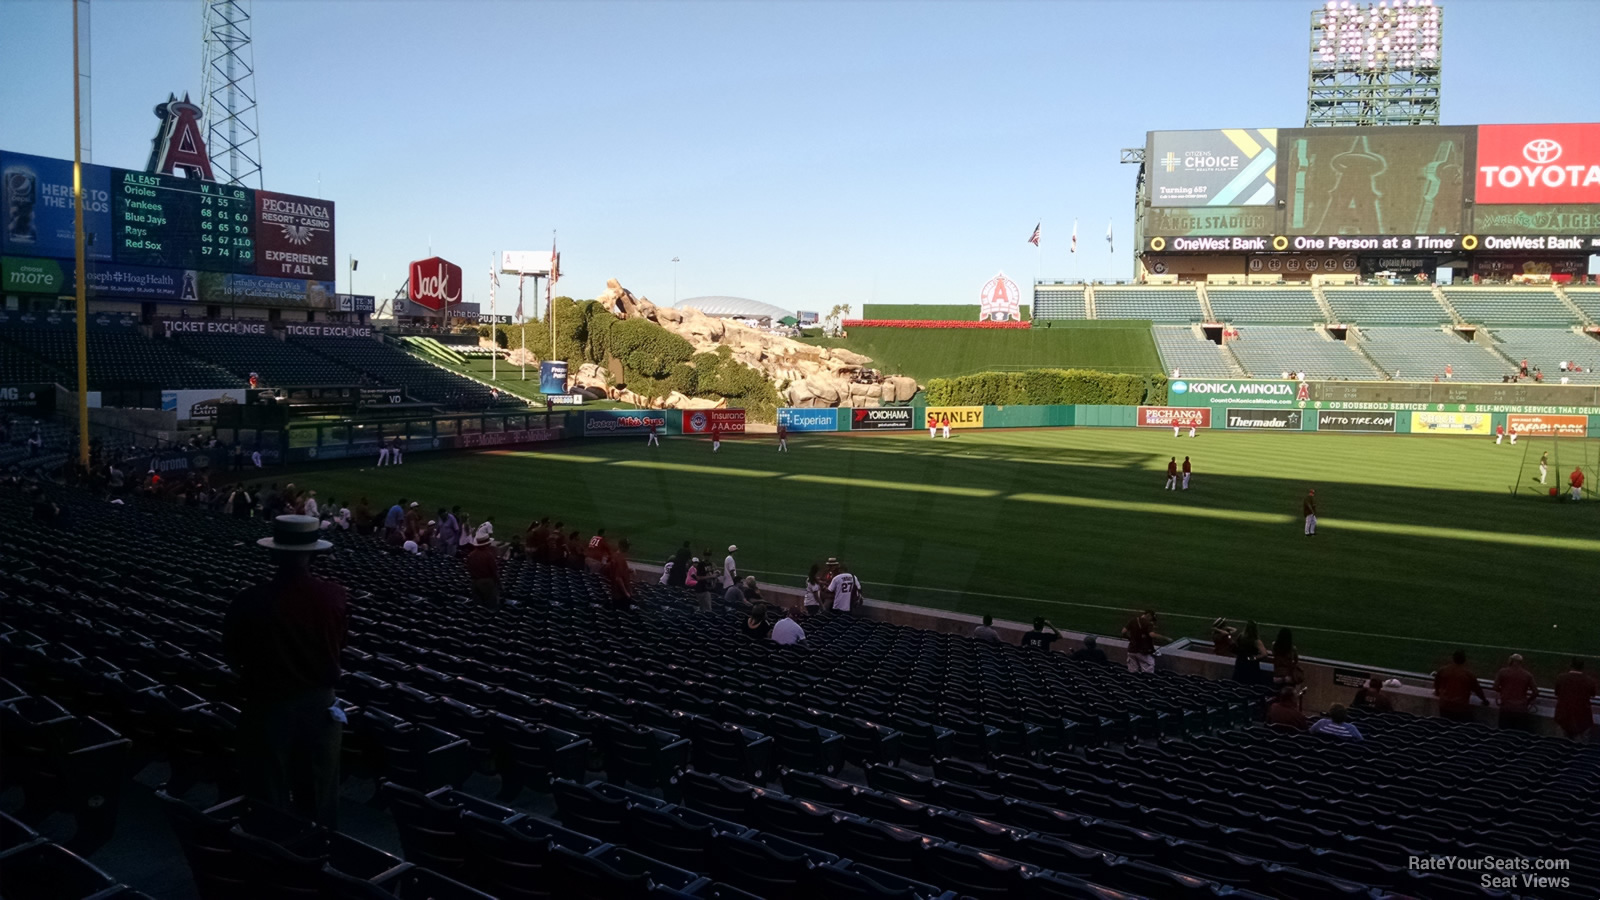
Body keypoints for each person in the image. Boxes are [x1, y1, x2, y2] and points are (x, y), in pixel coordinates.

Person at [222, 515, 348, 827]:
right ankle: (322, 862)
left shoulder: (248, 600)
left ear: (273, 553)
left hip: (265, 707)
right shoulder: (334, 596)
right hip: (318, 707)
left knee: (266, 798)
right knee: (318, 799)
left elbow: (232, 656)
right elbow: (340, 645)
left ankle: (270, 863)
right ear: (315, 554)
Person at [1433, 650, 1488, 722]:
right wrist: (1484, 700)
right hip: (1460, 707)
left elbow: (1436, 684)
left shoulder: (1443, 670)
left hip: (1445, 705)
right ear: (1464, 660)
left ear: (1453, 658)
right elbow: (1477, 690)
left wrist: (1437, 692)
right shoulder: (1468, 674)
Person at [1493, 654, 1540, 733]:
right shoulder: (1527, 675)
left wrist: (1504, 692)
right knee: (1519, 734)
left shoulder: (1503, 672)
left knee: (1503, 733)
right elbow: (1535, 692)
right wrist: (1527, 701)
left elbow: (1495, 687)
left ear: (1510, 661)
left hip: (1506, 707)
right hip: (1520, 709)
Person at [1553, 659, 1597, 740]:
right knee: (1579, 748)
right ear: (1582, 667)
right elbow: (1593, 694)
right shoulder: (1589, 681)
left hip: (1563, 717)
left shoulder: (1561, 678)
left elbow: (1557, 693)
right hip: (1582, 719)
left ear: (1571, 666)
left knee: (1560, 745)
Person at [465, 535, 501, 609]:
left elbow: (468, 568)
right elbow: (494, 571)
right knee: (490, 604)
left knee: (478, 605)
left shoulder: (471, 555)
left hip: (474, 582)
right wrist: (499, 583)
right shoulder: (488, 555)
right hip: (486, 582)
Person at [1232, 620, 1268, 685]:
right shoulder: (1256, 641)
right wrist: (1252, 658)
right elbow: (1264, 654)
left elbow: (1235, 647)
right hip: (1251, 666)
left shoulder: (1240, 636)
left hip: (1240, 663)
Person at [607, 539, 634, 609]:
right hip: (620, 595)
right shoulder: (621, 559)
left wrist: (628, 570)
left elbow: (616, 570)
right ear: (622, 547)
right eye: (626, 546)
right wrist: (626, 593)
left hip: (614, 592)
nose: (628, 548)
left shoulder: (614, 555)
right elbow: (618, 578)